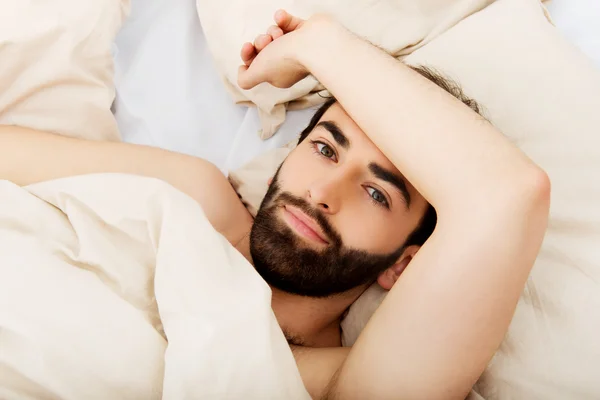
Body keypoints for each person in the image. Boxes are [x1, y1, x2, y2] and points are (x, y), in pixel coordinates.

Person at [0, 10, 550, 400]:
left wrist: (319, 45)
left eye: (378, 193)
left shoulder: (343, 383)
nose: (322, 193)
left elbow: (506, 196)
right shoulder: (191, 197)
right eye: (325, 149)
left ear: (406, 262)